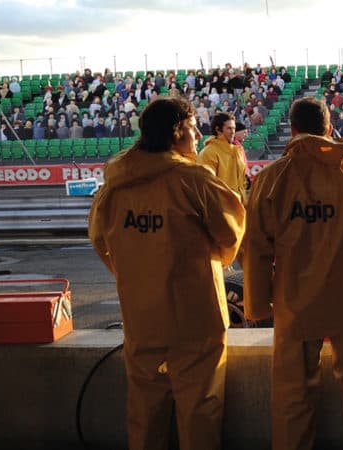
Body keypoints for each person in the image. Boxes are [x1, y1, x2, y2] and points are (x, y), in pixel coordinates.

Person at [242, 97, 343, 450]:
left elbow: (254, 248)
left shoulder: (270, 178)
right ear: (329, 129)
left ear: (293, 130)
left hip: (293, 302)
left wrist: (257, 306)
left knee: (292, 395)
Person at [88, 97, 245, 450]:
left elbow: (100, 241)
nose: (197, 135)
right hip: (196, 317)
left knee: (144, 411)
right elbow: (230, 235)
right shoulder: (195, 181)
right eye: (192, 129)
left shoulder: (115, 185)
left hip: (142, 316)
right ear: (177, 133)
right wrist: (213, 260)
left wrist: (136, 272)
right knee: (199, 411)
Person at [197, 112, 248, 204]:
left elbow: (242, 183)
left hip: (240, 209)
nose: (233, 132)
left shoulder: (237, 151)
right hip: (220, 211)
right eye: (229, 128)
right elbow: (207, 188)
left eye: (234, 128)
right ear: (218, 129)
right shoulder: (208, 153)